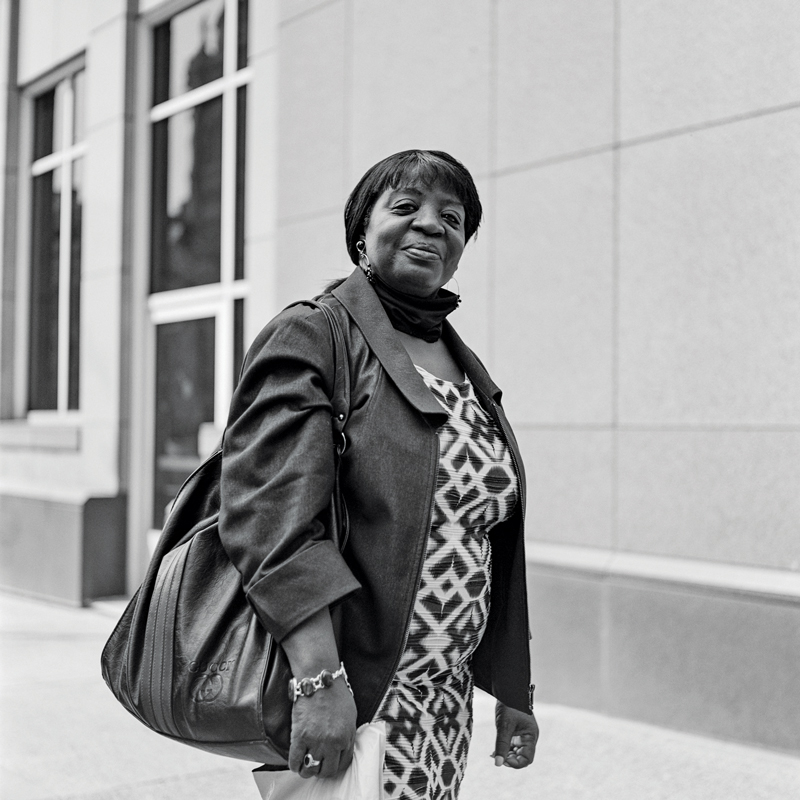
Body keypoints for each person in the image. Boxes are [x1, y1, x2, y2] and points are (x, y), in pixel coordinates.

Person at [219, 149, 539, 799]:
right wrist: (319, 682)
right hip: (353, 695)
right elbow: (272, 521)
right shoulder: (317, 333)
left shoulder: (461, 361)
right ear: (361, 231)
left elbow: (484, 533)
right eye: (405, 208)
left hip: (441, 706)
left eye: (452, 218)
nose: (431, 225)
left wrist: (512, 687)